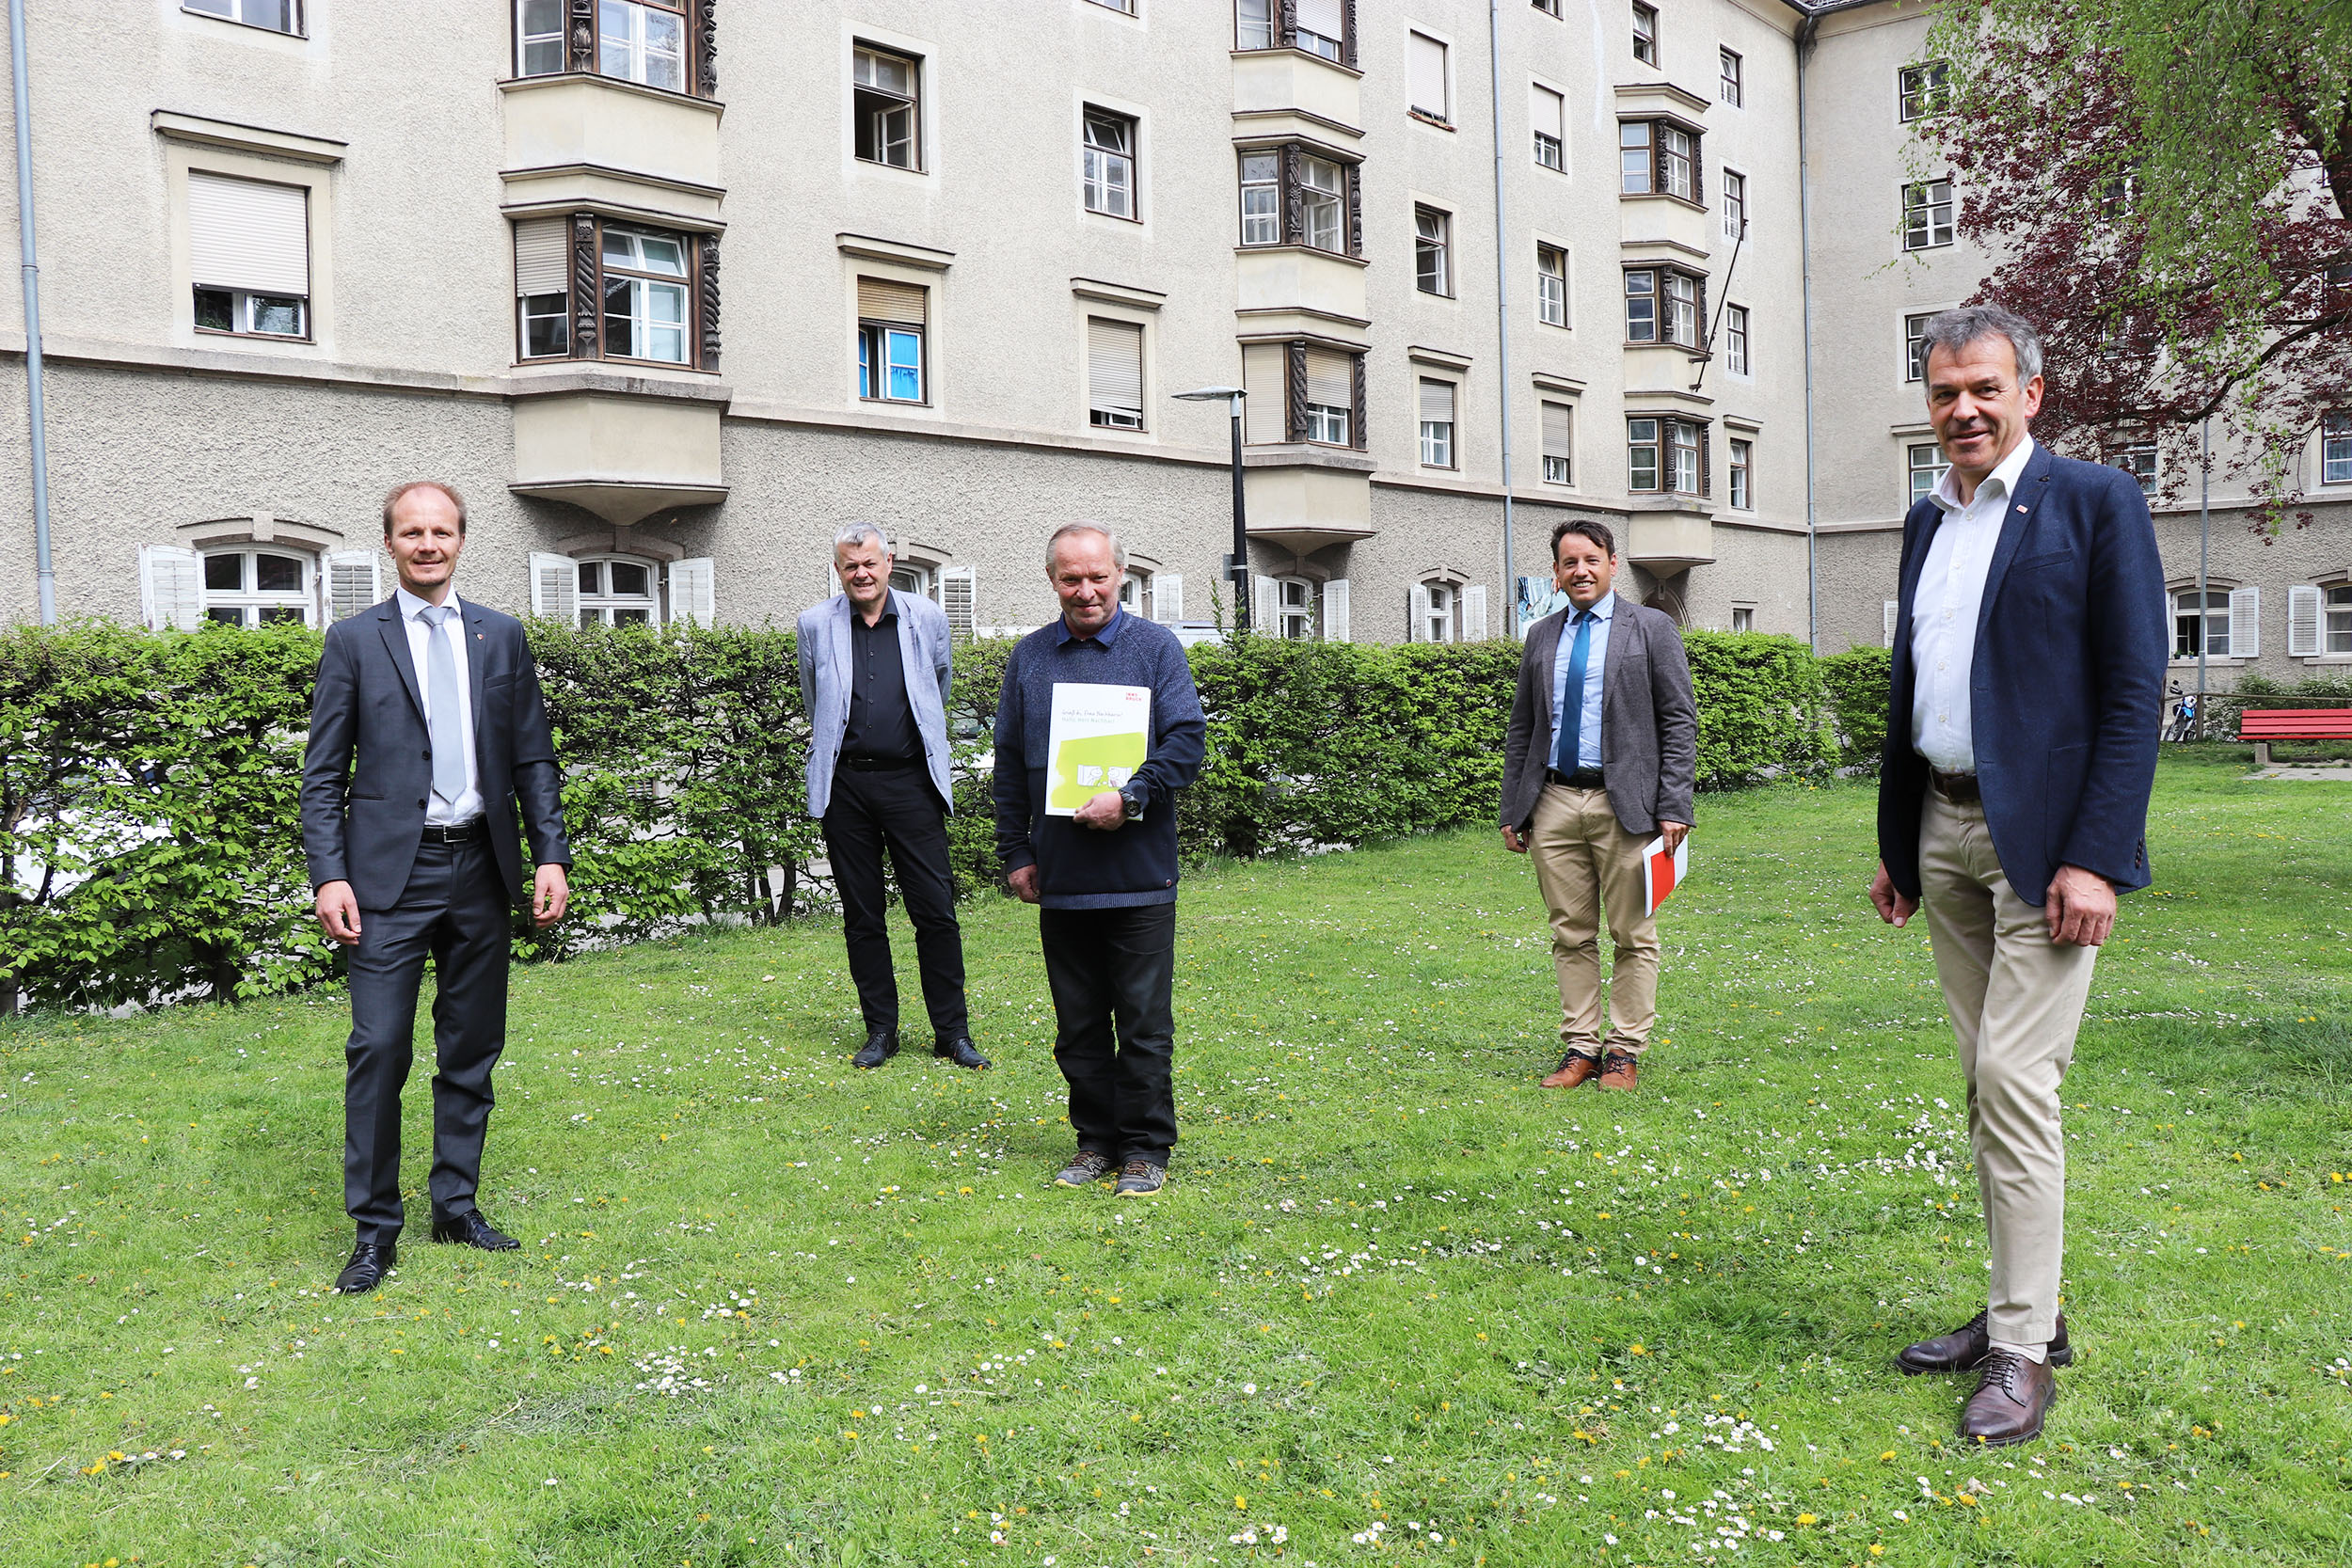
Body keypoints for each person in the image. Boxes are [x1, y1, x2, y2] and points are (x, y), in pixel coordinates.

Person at [1869, 305, 2165, 1446]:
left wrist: (2095, 855)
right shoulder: (1924, 519)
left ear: (2030, 393)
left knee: (2013, 1078)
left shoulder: (2092, 501)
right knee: (1983, 1084)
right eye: (1945, 391)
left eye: (1984, 388)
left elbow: (2132, 691)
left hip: (2045, 850)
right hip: (1941, 829)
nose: (1963, 410)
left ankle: (2020, 1349)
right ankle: (2023, 1307)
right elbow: (1918, 681)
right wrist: (1899, 844)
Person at [300, 481, 572, 1295]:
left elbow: (533, 756)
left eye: (442, 531)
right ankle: (374, 1230)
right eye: (412, 532)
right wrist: (329, 874)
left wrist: (550, 854)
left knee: (471, 1046)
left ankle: (455, 1205)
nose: (428, 544)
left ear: (461, 540)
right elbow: (322, 776)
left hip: (482, 866)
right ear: (390, 542)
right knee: (379, 1047)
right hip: (390, 875)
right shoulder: (355, 640)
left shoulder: (501, 635)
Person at [993, 522, 1204, 1197]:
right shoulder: (1030, 657)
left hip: (1139, 876)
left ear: (1120, 575)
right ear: (1052, 580)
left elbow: (1186, 742)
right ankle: (1095, 1141)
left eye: (1098, 576)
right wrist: (1015, 851)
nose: (1086, 590)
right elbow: (1008, 765)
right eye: (1071, 578)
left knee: (1143, 1025)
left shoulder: (1156, 648)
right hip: (1062, 877)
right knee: (1078, 1024)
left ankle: (1144, 1149)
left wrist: (1131, 796)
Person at [1499, 519, 1696, 1093]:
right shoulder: (1541, 635)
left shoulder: (1651, 628)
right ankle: (1581, 1048)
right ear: (1556, 573)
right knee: (1570, 933)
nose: (1580, 571)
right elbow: (1523, 727)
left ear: (1612, 564)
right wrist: (1514, 808)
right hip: (1554, 802)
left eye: (1591, 559)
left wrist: (1674, 803)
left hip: (1629, 806)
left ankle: (1624, 1051)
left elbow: (1678, 720)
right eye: (1569, 562)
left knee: (1633, 933)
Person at [797, 526, 985, 1071]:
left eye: (870, 563)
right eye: (850, 565)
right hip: (846, 787)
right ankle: (881, 1030)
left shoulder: (926, 617)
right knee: (863, 917)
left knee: (936, 913)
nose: (861, 573)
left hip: (912, 783)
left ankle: (952, 1033)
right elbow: (816, 699)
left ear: (889, 564)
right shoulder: (814, 623)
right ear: (838, 570)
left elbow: (937, 688)